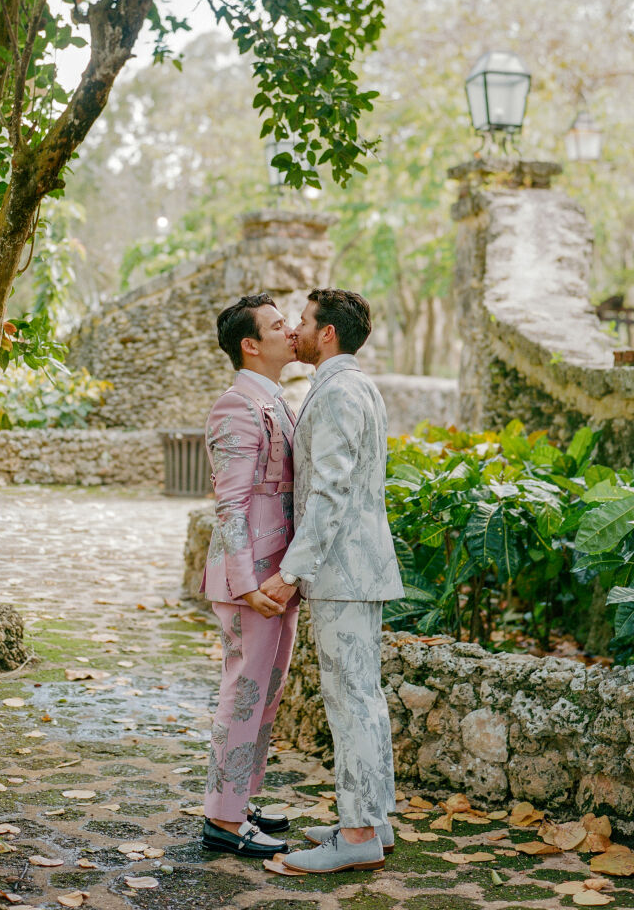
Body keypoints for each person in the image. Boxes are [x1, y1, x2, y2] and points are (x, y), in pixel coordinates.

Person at [260, 288, 404, 874]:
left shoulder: (340, 391)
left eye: (303, 321)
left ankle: (358, 832)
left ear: (328, 334)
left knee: (351, 703)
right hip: (355, 570)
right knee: (362, 699)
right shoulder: (352, 384)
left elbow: (330, 490)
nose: (294, 329)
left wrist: (293, 570)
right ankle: (373, 819)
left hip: (343, 571)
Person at [200, 293, 300, 859]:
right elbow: (229, 504)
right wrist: (246, 582)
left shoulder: (277, 401)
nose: (290, 332)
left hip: (278, 573)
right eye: (278, 324)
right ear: (251, 344)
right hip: (251, 581)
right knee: (244, 693)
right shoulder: (235, 406)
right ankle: (221, 819)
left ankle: (241, 799)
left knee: (267, 692)